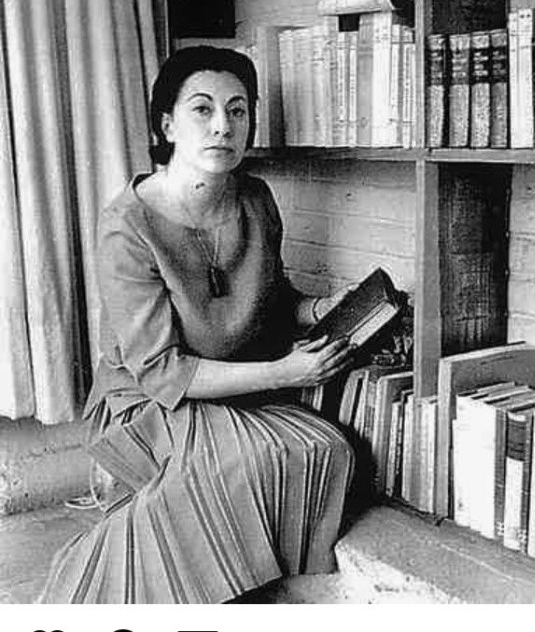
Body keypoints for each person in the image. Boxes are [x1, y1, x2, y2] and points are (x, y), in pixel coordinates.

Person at [40, 46, 357, 603]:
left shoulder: (256, 199)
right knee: (238, 463)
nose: (222, 127)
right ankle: (99, 587)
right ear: (168, 125)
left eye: (238, 111)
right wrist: (284, 372)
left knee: (325, 447)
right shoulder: (127, 225)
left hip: (233, 382)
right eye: (203, 109)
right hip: (149, 397)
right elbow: (162, 371)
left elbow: (272, 299)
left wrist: (321, 307)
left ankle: (224, 579)